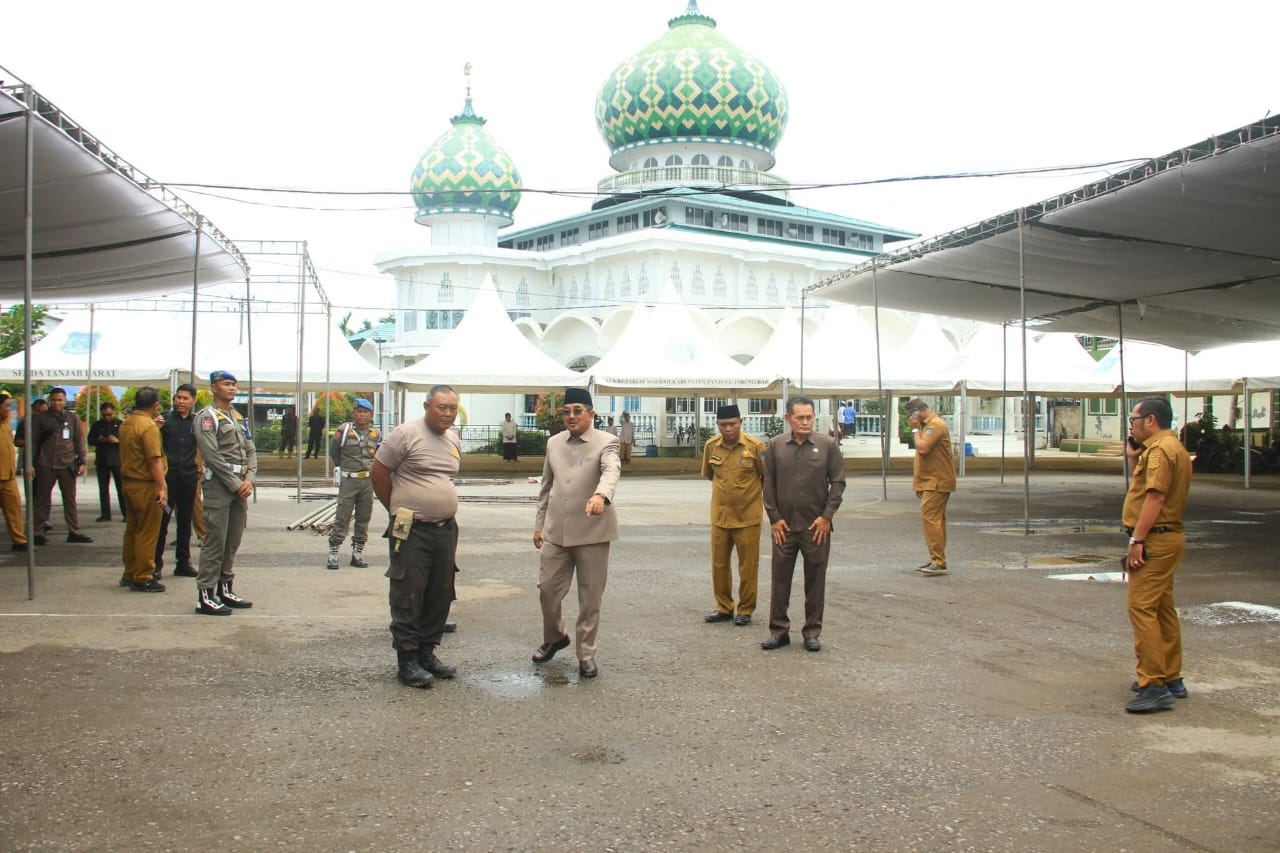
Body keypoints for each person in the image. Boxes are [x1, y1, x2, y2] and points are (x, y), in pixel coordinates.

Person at [371, 384, 462, 689]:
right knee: (408, 590)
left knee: (440, 590)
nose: (448, 414)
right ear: (426, 407)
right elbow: (379, 472)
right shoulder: (405, 434)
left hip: (445, 528)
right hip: (411, 527)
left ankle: (427, 652)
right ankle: (407, 660)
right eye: (441, 407)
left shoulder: (452, 438)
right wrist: (397, 507)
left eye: (452, 408)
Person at [532, 388, 621, 679]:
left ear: (591, 414)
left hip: (592, 533)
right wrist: (539, 525)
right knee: (547, 591)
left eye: (577, 411)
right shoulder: (553, 443)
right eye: (567, 411)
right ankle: (555, 637)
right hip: (556, 532)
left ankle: (586, 653)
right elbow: (546, 487)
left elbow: (611, 471)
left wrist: (601, 496)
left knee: (590, 597)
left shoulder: (606, 442)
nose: (571, 416)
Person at [1122, 396, 1192, 714]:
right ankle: (1170, 675)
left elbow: (1155, 497)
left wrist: (1137, 539)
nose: (1132, 426)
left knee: (1141, 607)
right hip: (1167, 537)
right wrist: (1134, 459)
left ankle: (1153, 684)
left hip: (1156, 538)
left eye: (1134, 420)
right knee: (1162, 608)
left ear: (1150, 420)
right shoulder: (1169, 446)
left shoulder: (1161, 451)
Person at [761, 395, 845, 652]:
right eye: (800, 417)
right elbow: (768, 483)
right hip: (784, 527)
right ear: (788, 419)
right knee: (780, 580)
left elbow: (838, 483)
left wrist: (826, 517)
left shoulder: (828, 445)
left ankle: (812, 632)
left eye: (809, 417)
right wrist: (774, 518)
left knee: (815, 580)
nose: (805, 422)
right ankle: (779, 631)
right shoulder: (776, 446)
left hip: (815, 528)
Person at [193, 371, 256, 616]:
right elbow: (211, 456)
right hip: (220, 486)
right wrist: (234, 483)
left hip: (240, 485)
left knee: (232, 540)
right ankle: (206, 593)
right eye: (226, 384)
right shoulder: (206, 418)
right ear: (213, 388)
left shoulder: (238, 417)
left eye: (233, 384)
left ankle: (225, 586)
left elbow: (250, 450)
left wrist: (249, 479)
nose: (231, 388)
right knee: (215, 541)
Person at [701, 404, 766, 626]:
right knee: (719, 565)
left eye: (732, 424)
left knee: (747, 565)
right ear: (717, 425)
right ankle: (724, 607)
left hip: (748, 517)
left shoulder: (756, 447)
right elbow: (710, 475)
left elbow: (766, 477)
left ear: (741, 422)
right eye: (723, 425)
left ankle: (746, 609)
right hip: (720, 516)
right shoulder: (711, 446)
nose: (728, 429)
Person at [119, 387, 168, 592]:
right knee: (148, 532)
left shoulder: (127, 423)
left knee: (132, 529)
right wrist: (162, 487)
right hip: (146, 483)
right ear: (155, 404)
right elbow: (154, 460)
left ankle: (130, 572)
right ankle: (144, 575)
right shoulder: (148, 427)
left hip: (129, 482)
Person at [31, 387, 93, 546]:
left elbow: (79, 440)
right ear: (49, 400)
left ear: (65, 401)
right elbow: (34, 442)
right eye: (54, 400)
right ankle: (38, 531)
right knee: (42, 498)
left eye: (60, 400)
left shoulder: (72, 418)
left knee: (70, 499)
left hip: (67, 462)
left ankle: (74, 531)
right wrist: (30, 464)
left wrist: (83, 460)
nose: (57, 403)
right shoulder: (40, 418)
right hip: (45, 462)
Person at [327, 398, 381, 570]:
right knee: (342, 516)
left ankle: (357, 553)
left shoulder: (375, 433)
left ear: (370, 415)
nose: (362, 415)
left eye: (365, 412)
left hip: (367, 480)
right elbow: (334, 452)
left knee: (364, 517)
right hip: (349, 479)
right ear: (354, 413)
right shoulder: (344, 430)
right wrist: (341, 469)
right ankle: (333, 553)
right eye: (359, 411)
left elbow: (379, 455)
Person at [906, 398, 956, 576]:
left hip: (938, 481)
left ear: (916, 413)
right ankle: (937, 558)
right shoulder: (928, 426)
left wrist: (914, 428)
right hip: (931, 481)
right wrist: (919, 484)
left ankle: (938, 561)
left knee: (931, 519)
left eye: (910, 416)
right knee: (935, 520)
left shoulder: (936, 425)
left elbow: (923, 448)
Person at [155, 383, 200, 578]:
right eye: (178, 398)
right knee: (162, 521)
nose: (181, 402)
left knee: (184, 521)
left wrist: (199, 466)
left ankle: (183, 562)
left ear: (193, 400)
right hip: (168, 477)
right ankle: (155, 563)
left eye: (185, 398)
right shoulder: (164, 420)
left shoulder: (197, 422)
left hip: (188, 477)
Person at [0, 392, 28, 551]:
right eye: (6, 406)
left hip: (8, 476)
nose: (9, 410)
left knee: (14, 509)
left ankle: (19, 540)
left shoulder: (6, 424)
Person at [89, 402, 126, 522]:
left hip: (117, 459)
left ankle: (126, 513)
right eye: (105, 415)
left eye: (109, 414)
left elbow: (129, 441)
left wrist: (117, 441)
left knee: (122, 488)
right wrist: (100, 440)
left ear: (114, 412)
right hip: (102, 459)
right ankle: (105, 514)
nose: (107, 417)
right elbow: (90, 440)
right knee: (103, 488)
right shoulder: (97, 425)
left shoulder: (120, 425)